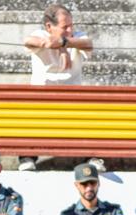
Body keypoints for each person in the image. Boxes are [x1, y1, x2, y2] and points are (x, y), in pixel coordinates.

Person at [20, 4, 97, 173]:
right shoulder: (40, 35)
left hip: (72, 99)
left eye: (71, 25)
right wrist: (50, 45)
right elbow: (28, 41)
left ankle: (92, 157)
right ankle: (27, 157)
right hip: (42, 98)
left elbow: (88, 44)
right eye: (65, 27)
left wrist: (63, 42)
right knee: (28, 111)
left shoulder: (75, 36)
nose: (70, 29)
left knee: (93, 111)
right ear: (49, 27)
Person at [58, 162, 125, 215]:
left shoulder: (114, 212)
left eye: (93, 183)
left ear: (98, 183)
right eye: (84, 184)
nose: (89, 188)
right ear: (77, 185)